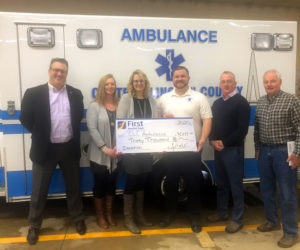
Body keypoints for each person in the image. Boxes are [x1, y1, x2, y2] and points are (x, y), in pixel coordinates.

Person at [19, 58, 86, 245]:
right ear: (49, 71)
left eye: (63, 71)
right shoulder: (33, 93)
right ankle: (34, 226)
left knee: (74, 187)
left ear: (66, 73)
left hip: (68, 148)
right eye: (56, 70)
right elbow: (24, 118)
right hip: (44, 149)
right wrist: (41, 134)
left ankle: (78, 219)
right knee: (39, 191)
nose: (59, 74)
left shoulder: (75, 94)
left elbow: (78, 116)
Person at [158, 66, 212, 233]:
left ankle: (195, 218)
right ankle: (169, 214)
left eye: (182, 76)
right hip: (171, 148)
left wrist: (203, 139)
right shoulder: (164, 99)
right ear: (172, 79)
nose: (179, 79)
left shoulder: (199, 97)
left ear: (188, 78)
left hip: (192, 148)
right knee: (170, 182)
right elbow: (156, 121)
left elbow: (207, 119)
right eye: (176, 76)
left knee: (193, 183)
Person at [254, 69, 300, 248]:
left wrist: (296, 153)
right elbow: (257, 129)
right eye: (266, 81)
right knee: (266, 189)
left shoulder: (292, 100)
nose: (269, 84)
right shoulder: (260, 101)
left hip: (284, 152)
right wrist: (258, 148)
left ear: (280, 82)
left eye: (273, 81)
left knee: (287, 193)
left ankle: (291, 232)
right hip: (265, 151)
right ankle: (272, 221)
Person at [207, 71, 250, 233]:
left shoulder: (241, 103)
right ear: (220, 85)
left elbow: (242, 130)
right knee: (222, 184)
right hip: (219, 150)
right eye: (223, 81)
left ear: (235, 83)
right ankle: (222, 212)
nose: (226, 84)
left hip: (233, 150)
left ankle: (238, 219)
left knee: (235, 185)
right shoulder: (217, 103)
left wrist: (223, 142)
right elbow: (212, 125)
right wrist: (212, 140)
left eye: (229, 81)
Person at [117, 69, 158, 234]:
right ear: (132, 84)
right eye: (135, 81)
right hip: (132, 150)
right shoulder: (126, 99)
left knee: (142, 181)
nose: (139, 83)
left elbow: (156, 125)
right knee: (132, 181)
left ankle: (140, 216)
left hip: (147, 150)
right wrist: (122, 146)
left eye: (141, 81)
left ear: (145, 83)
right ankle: (129, 219)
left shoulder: (152, 101)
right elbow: (120, 123)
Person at [86, 74, 121, 229]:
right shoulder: (94, 106)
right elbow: (92, 129)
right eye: (106, 84)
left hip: (117, 155)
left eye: (112, 84)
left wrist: (121, 147)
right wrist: (105, 149)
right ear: (102, 86)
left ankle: (109, 214)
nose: (110, 87)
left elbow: (127, 125)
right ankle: (100, 217)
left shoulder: (120, 104)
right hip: (99, 156)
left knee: (111, 186)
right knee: (99, 186)